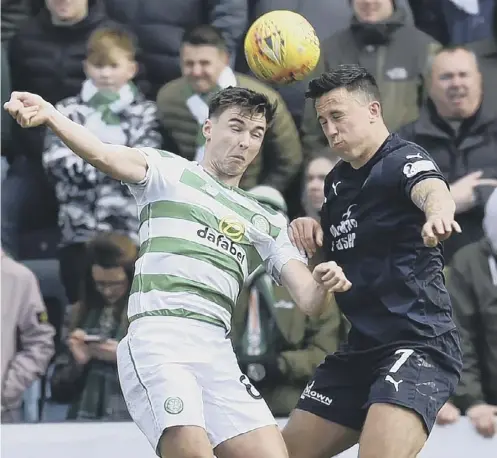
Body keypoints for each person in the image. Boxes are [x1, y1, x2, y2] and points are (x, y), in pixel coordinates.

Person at [4, 86, 350, 458]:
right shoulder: (167, 171)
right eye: (235, 127)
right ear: (208, 128)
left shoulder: (266, 219)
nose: (245, 142)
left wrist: (326, 277)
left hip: (217, 351)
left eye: (256, 133)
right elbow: (102, 153)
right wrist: (51, 115)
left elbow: (311, 301)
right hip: (160, 340)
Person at [282, 64, 463, 458]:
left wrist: (437, 213)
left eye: (338, 116)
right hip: (360, 348)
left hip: (418, 344)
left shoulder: (404, 159)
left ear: (373, 111)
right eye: (323, 120)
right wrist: (312, 235)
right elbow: (331, 271)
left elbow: (431, 188)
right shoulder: (335, 183)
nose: (330, 129)